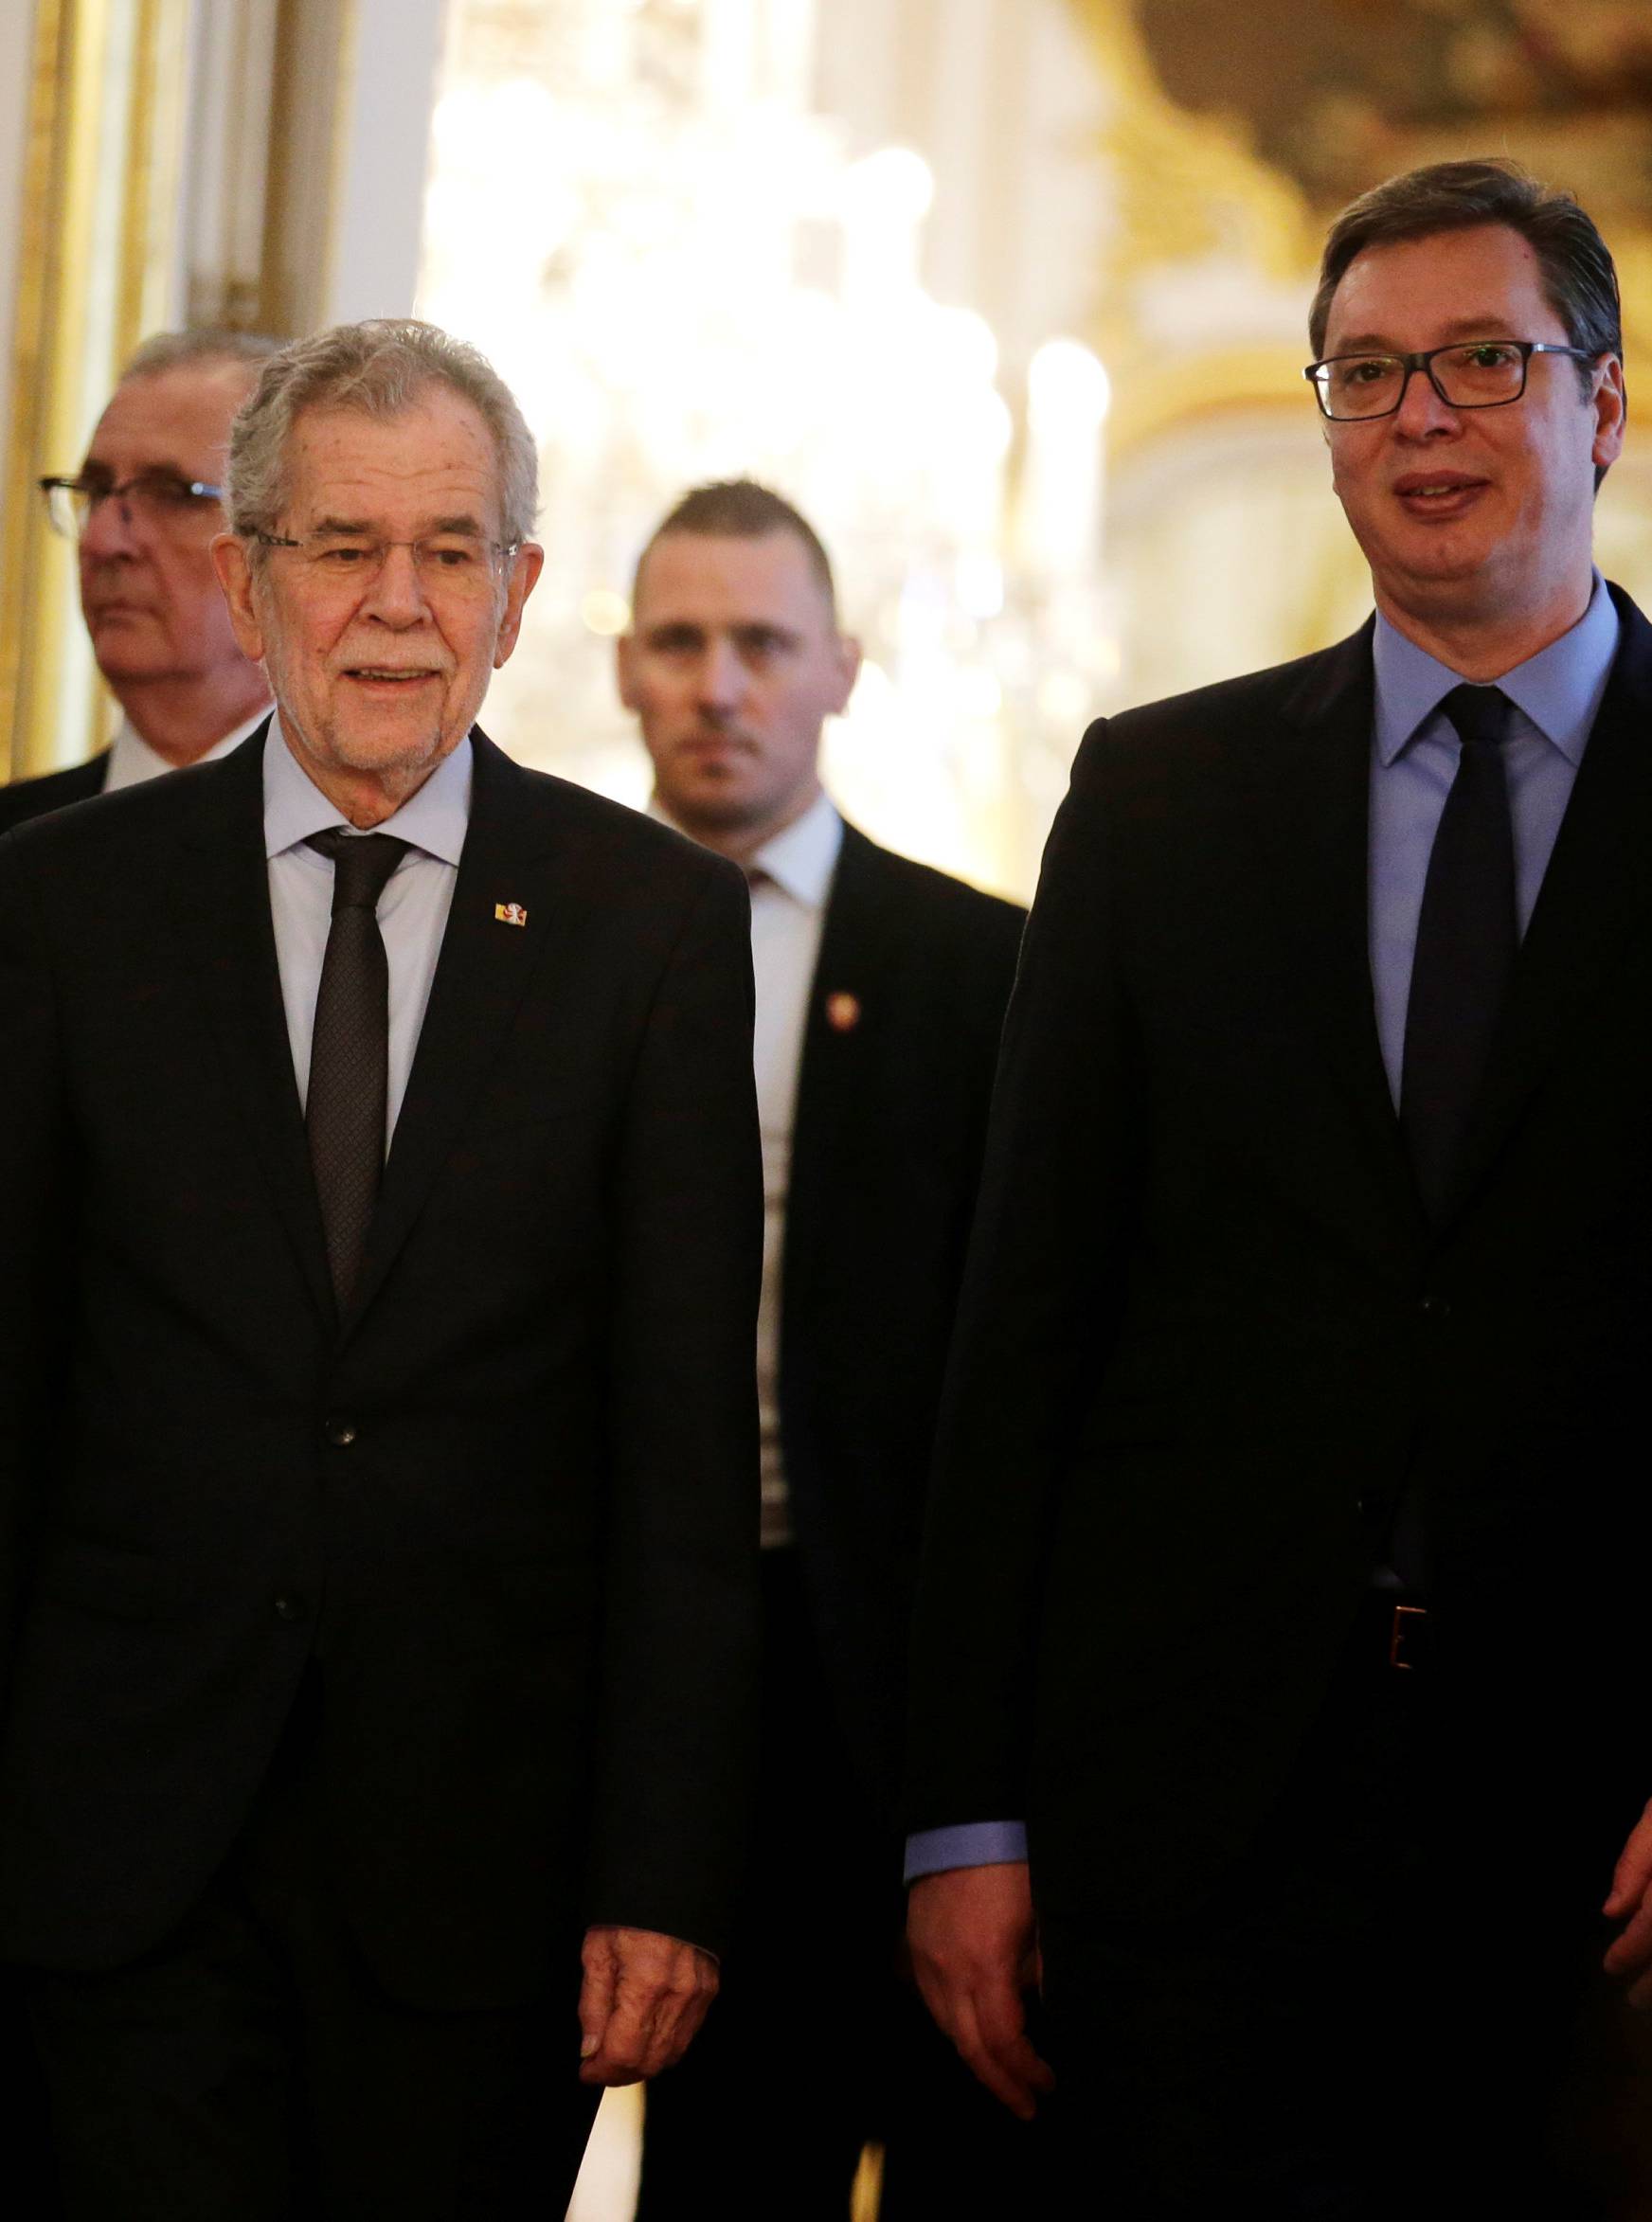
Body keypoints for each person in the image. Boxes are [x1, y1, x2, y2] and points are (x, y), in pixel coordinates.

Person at [901, 160, 1652, 2218]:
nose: (1423, 419)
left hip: (1625, 1842)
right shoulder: (1157, 799)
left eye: (1484, 363)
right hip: (1190, 1837)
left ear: (1600, 407)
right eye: (1367, 375)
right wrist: (962, 1820)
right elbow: (1025, 1320)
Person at [0, 320, 762, 2221]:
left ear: (516, 595)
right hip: (115, 1859)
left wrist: (660, 1874)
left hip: (480, 1889)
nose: (395, 606)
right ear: (250, 582)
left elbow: (679, 1459)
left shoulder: (649, 926)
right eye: (342, 547)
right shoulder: (63, 906)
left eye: (448, 551)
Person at [618, 481, 1028, 2218]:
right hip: (617, 1678)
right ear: (622, 667)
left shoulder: (977, 969)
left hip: (891, 1694)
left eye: (763, 643)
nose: (722, 684)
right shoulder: (533, 938)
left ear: (840, 670)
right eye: (682, 642)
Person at [1, 329, 278, 832]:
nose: (103, 541)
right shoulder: (17, 846)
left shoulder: (369, 857)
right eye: (96, 490)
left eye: (171, 494)